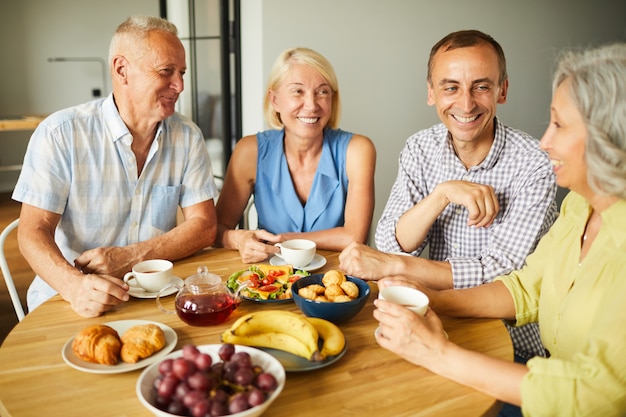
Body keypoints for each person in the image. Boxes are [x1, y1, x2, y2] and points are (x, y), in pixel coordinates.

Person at [373, 42, 626, 416]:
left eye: (558, 124)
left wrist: (438, 353)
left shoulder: (536, 166)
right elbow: (524, 288)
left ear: (609, 135)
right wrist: (430, 299)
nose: (545, 141)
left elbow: (595, 395)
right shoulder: (580, 206)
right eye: (450, 86)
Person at [339, 30, 558, 364]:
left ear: (503, 90)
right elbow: (389, 241)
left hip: (512, 347)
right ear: (431, 92)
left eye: (481, 86)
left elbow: (504, 272)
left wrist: (400, 265)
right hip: (430, 320)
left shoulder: (534, 164)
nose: (466, 104)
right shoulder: (419, 148)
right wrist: (441, 195)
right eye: (451, 87)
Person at [12, 16, 219, 318]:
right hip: (71, 299)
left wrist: (130, 257)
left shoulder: (188, 136)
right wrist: (74, 286)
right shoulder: (60, 133)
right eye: (167, 72)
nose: (180, 85)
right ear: (122, 70)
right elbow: (32, 231)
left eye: (182, 73)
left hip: (157, 294)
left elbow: (204, 227)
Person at [215, 47, 376, 263]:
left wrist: (285, 241)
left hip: (337, 284)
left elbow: (354, 236)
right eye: (298, 91)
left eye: (322, 92)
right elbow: (216, 230)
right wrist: (238, 239)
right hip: (268, 282)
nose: (311, 105)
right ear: (275, 100)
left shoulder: (358, 150)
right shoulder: (249, 151)